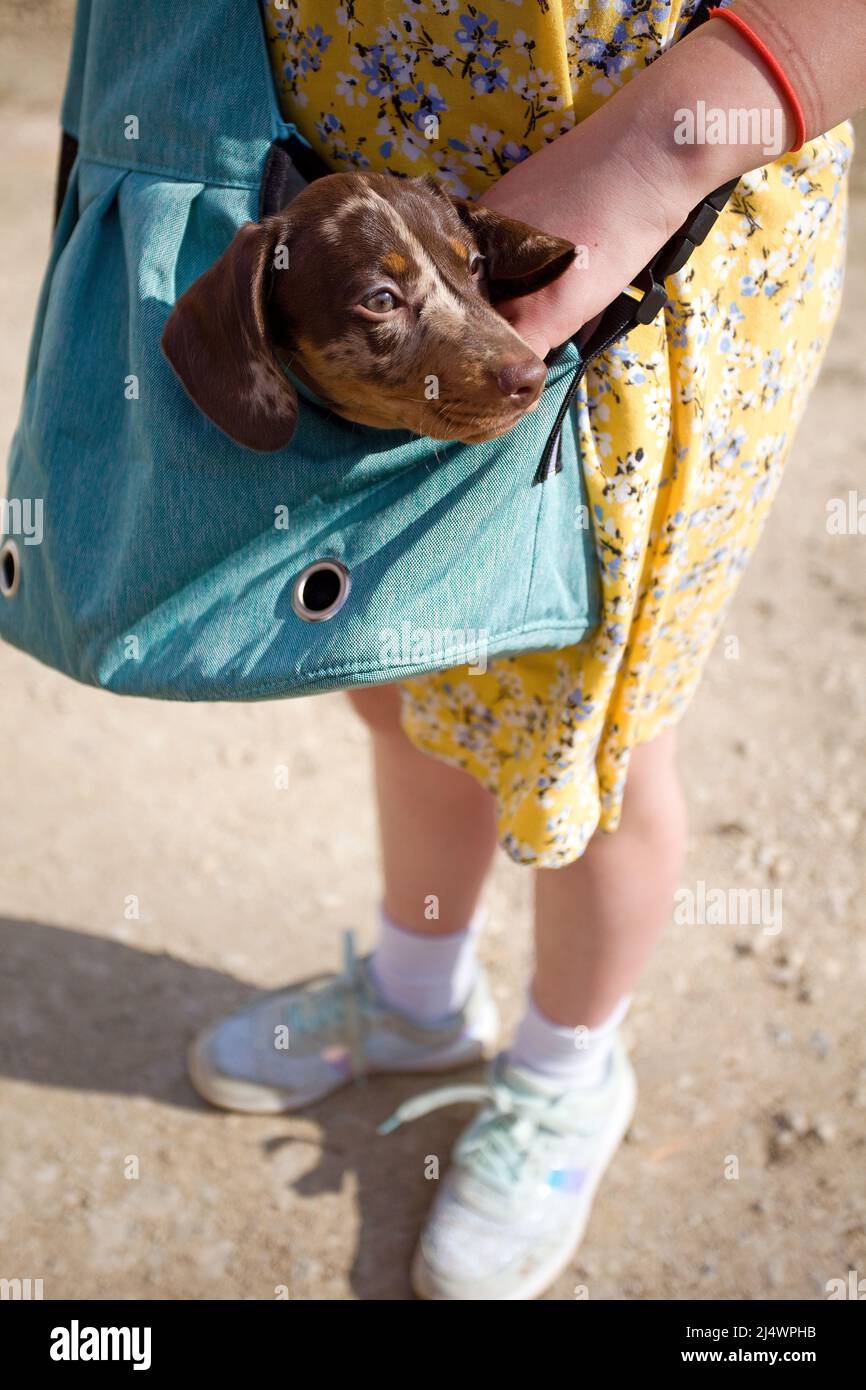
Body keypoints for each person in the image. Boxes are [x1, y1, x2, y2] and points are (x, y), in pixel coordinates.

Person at [189, 1, 866, 1298]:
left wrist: (658, 152)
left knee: (594, 729)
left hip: (655, 235)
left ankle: (567, 1072)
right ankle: (416, 994)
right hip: (360, 198)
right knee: (402, 681)